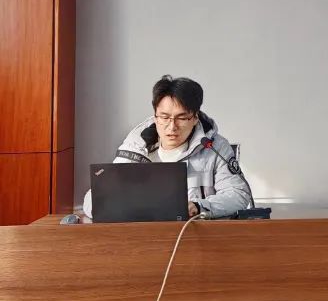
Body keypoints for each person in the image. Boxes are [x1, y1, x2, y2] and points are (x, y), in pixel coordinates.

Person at [82, 75, 252, 220]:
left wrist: (199, 207)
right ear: (155, 116)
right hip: (145, 237)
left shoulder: (215, 147)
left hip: (197, 235)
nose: (171, 127)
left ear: (195, 117)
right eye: (164, 117)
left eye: (181, 118)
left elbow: (238, 195)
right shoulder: (135, 147)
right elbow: (94, 199)